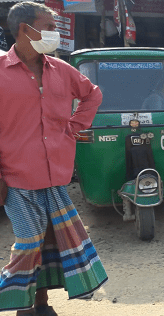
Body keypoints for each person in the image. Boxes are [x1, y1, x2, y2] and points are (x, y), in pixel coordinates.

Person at [0, 2, 108, 315]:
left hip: (55, 176)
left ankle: (38, 304)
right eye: (48, 26)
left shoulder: (62, 70)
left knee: (48, 245)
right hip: (16, 177)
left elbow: (93, 94)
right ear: (24, 29)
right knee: (29, 241)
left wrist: (73, 127)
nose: (54, 33)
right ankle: (13, 297)